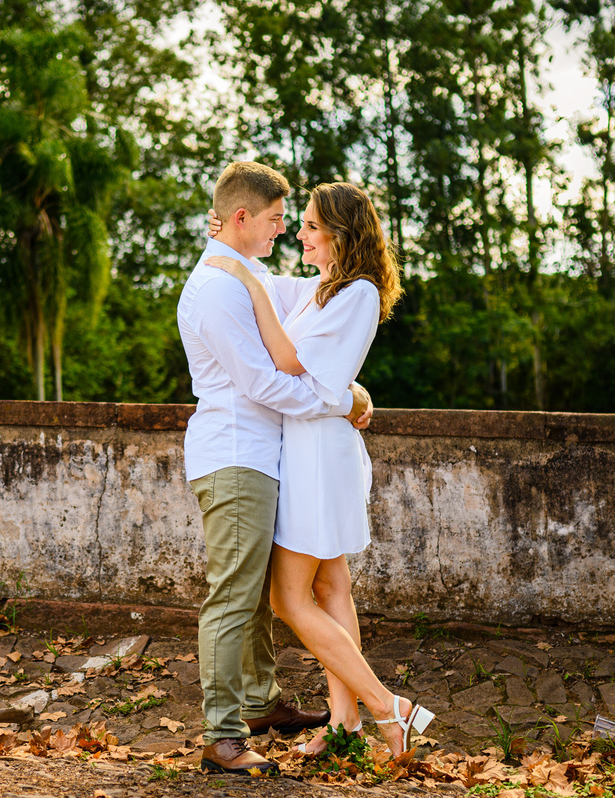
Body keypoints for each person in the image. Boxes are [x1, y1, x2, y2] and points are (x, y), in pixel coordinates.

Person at [204, 181, 434, 758]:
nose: (298, 234)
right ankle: (344, 724)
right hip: (303, 449)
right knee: (330, 587)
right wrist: (229, 243)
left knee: (289, 600)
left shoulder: (357, 292)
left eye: (310, 226)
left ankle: (388, 706)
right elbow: (259, 276)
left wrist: (247, 282)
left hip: (319, 459)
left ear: (341, 234)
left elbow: (291, 361)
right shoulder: (319, 289)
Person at [177, 162, 374, 775]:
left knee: (258, 596)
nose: (284, 230)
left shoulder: (245, 274)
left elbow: (306, 295)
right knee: (233, 598)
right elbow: (261, 383)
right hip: (236, 455)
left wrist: (347, 387)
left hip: (261, 456)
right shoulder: (217, 290)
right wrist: (342, 400)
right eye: (275, 219)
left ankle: (261, 704)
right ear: (242, 217)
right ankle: (223, 737)